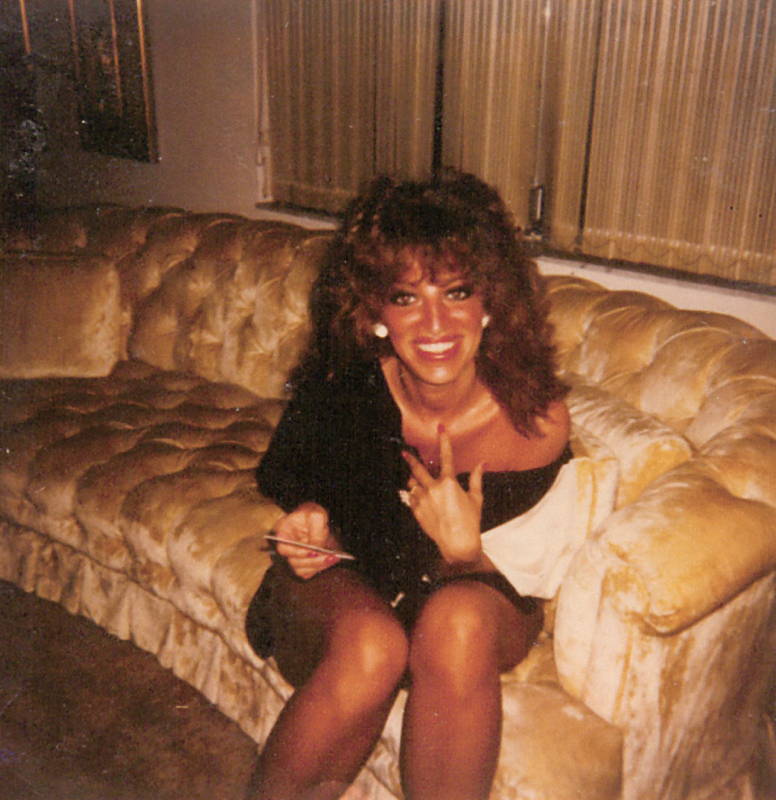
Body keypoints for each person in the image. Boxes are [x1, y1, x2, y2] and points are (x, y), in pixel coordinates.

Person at [245, 170, 570, 800]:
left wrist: (467, 553)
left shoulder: (531, 422)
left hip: (476, 592)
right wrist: (312, 519)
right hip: (357, 583)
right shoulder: (348, 385)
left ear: (489, 303)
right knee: (372, 645)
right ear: (374, 314)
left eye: (457, 291)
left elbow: (530, 573)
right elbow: (287, 470)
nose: (434, 323)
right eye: (405, 297)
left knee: (456, 622)